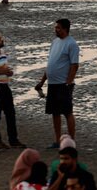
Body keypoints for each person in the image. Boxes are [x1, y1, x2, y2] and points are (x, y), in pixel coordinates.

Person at [34, 18, 79, 147]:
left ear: (65, 29)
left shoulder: (72, 44)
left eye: (58, 28)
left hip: (63, 84)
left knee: (67, 112)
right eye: (55, 28)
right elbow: (50, 64)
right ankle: (57, 140)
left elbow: (74, 65)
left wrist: (68, 83)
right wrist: (42, 82)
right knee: (54, 112)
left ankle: (71, 141)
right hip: (52, 83)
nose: (56, 30)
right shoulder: (54, 42)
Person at [0, 30, 24, 149]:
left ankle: (13, 139)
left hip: (5, 85)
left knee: (11, 113)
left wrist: (9, 72)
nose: (1, 41)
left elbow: (4, 68)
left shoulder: (2, 53)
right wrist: (2, 71)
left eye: (1, 39)